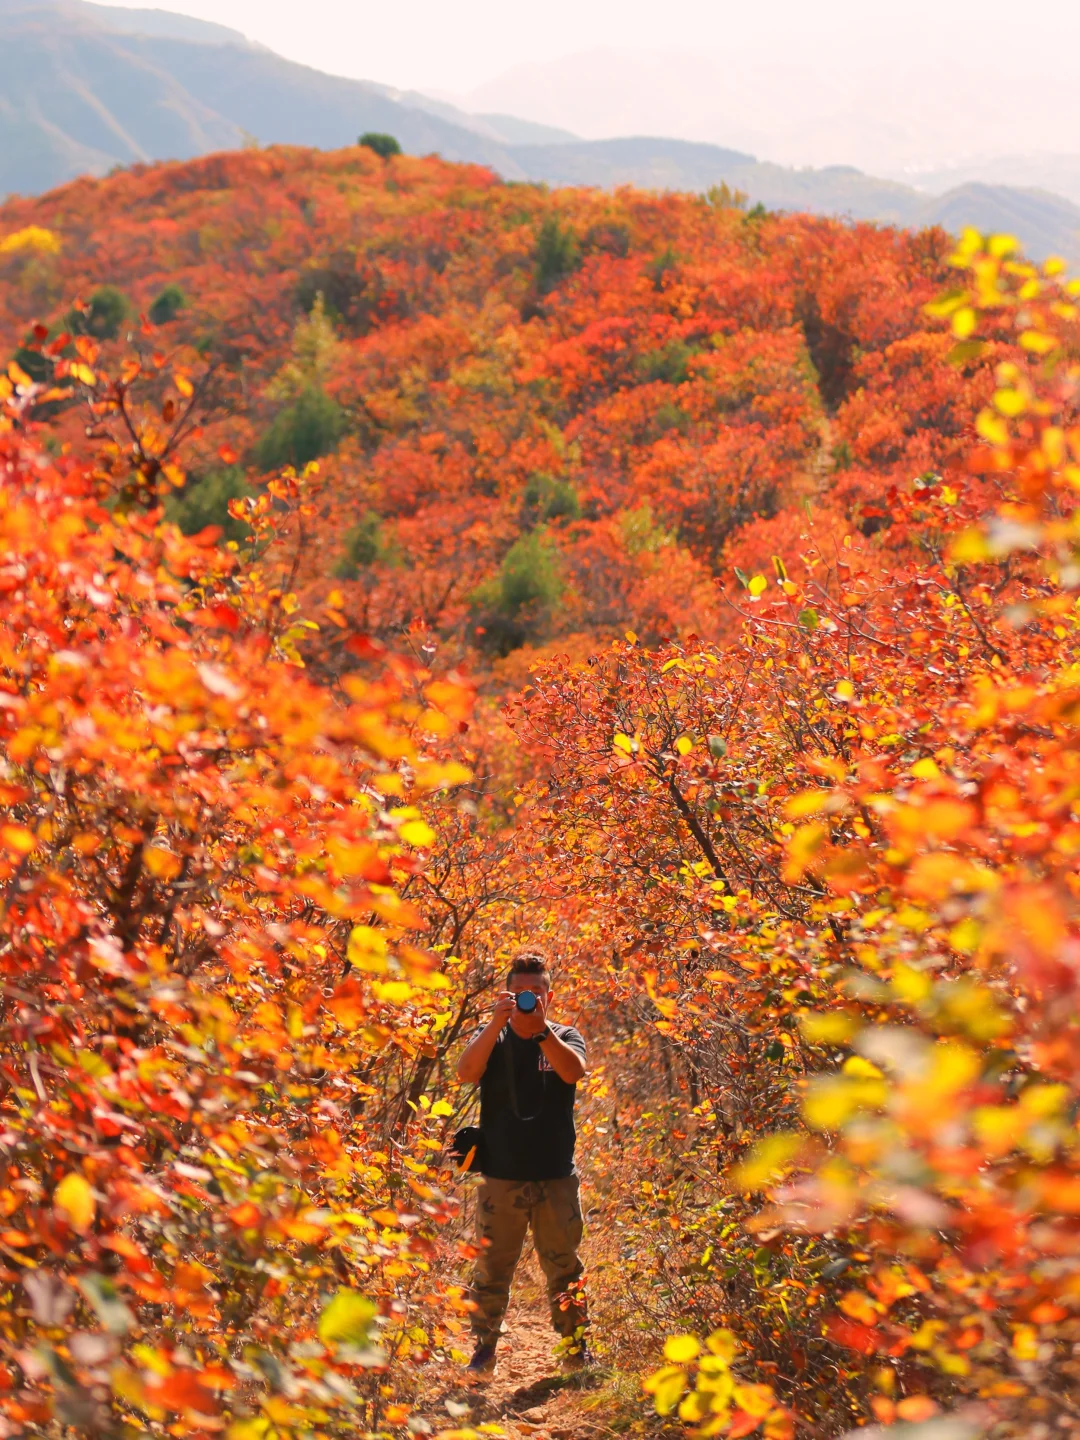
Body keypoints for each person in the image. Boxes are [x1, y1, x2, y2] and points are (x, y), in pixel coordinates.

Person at [455, 951, 589, 1378]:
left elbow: (573, 1073)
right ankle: (483, 1351)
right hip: (502, 1176)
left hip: (556, 1175)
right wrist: (498, 1021)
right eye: (520, 993)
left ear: (549, 994)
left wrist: (541, 1030)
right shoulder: (490, 1035)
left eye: (536, 992)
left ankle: (574, 1350)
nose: (529, 999)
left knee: (565, 1269)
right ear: (507, 994)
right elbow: (465, 1071)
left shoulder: (565, 1035)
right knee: (492, 1268)